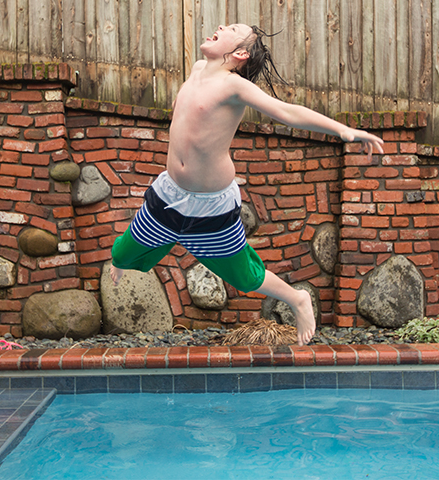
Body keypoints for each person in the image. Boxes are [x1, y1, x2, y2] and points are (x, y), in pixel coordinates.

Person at [109, 24, 384, 345]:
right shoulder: (198, 70)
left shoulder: (233, 87)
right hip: (169, 194)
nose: (221, 26)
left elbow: (287, 112)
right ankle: (143, 250)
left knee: (243, 275)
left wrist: (343, 131)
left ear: (240, 54)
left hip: (210, 205)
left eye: (232, 29)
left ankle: (297, 299)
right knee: (123, 255)